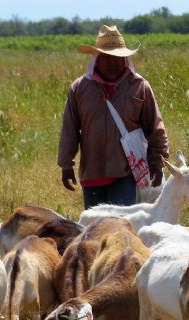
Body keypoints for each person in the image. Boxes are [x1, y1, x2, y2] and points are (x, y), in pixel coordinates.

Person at [57, 25, 169, 209]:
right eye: (107, 57)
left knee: (118, 227)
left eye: (117, 58)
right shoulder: (80, 88)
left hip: (125, 174)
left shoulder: (139, 86)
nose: (112, 63)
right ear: (97, 58)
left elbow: (155, 127)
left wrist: (157, 162)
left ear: (125, 58)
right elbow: (70, 129)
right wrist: (66, 165)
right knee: (95, 230)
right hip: (92, 173)